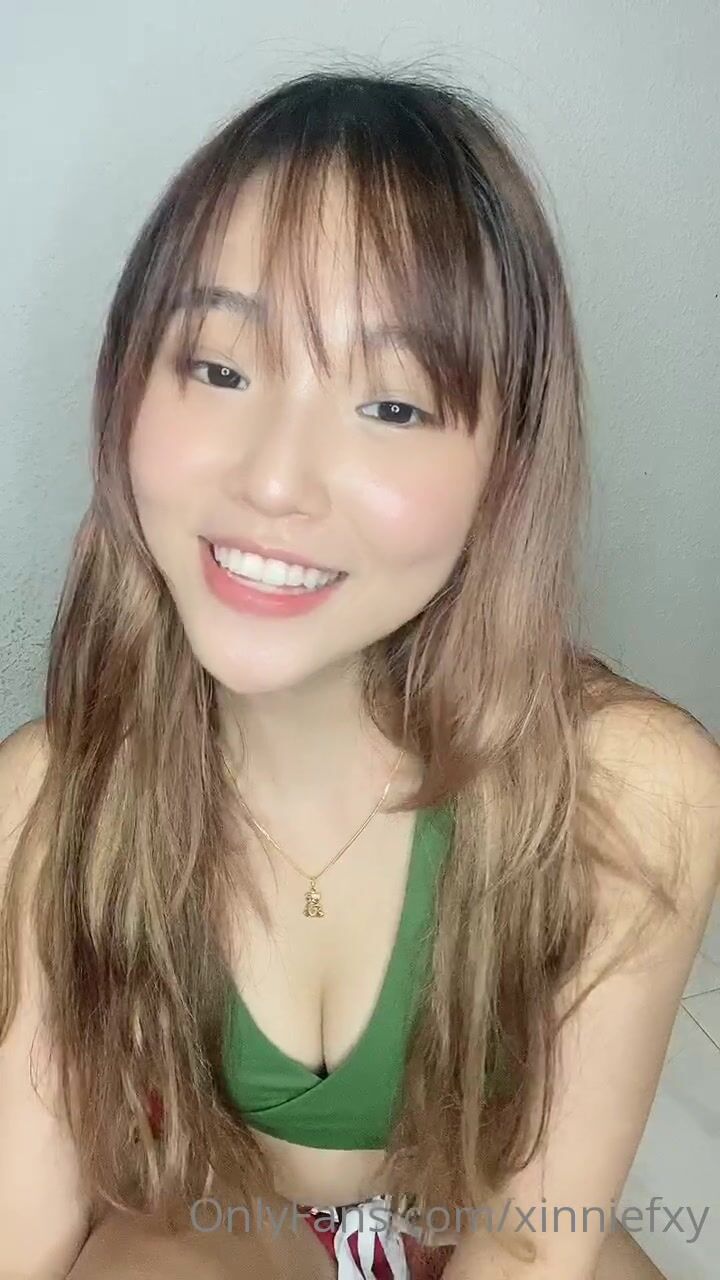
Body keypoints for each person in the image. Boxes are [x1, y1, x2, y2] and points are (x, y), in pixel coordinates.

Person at [1, 66, 718, 1280]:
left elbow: (529, 1245)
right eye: (219, 368)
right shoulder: (47, 801)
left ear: (506, 466)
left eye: (391, 404)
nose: (275, 479)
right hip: (215, 1217)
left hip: (496, 1222)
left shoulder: (633, 792)